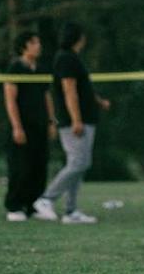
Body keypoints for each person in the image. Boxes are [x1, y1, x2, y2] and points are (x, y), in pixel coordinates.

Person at [32, 22, 110, 224]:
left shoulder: (73, 59)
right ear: (79, 37)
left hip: (86, 118)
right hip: (75, 121)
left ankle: (71, 211)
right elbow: (69, 90)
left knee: (79, 165)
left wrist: (98, 101)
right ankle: (46, 199)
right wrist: (76, 119)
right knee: (79, 163)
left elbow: (83, 89)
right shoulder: (65, 58)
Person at [3, 31, 57, 221]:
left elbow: (46, 96)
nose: (38, 46)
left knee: (39, 166)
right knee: (20, 166)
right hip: (23, 125)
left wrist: (52, 121)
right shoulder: (15, 67)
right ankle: (14, 206)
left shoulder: (41, 69)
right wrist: (17, 127)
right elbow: (10, 99)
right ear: (24, 46)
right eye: (34, 43)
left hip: (40, 124)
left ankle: (33, 206)